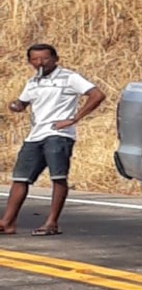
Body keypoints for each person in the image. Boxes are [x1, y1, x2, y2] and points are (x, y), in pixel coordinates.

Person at [0, 44, 106, 236]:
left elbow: (97, 95)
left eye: (45, 58)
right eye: (35, 59)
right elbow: (23, 103)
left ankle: (51, 222)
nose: (40, 63)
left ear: (56, 59)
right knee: (20, 178)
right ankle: (7, 222)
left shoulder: (69, 77)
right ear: (29, 61)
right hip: (35, 135)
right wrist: (15, 105)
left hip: (58, 134)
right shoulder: (34, 81)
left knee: (57, 177)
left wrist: (74, 118)